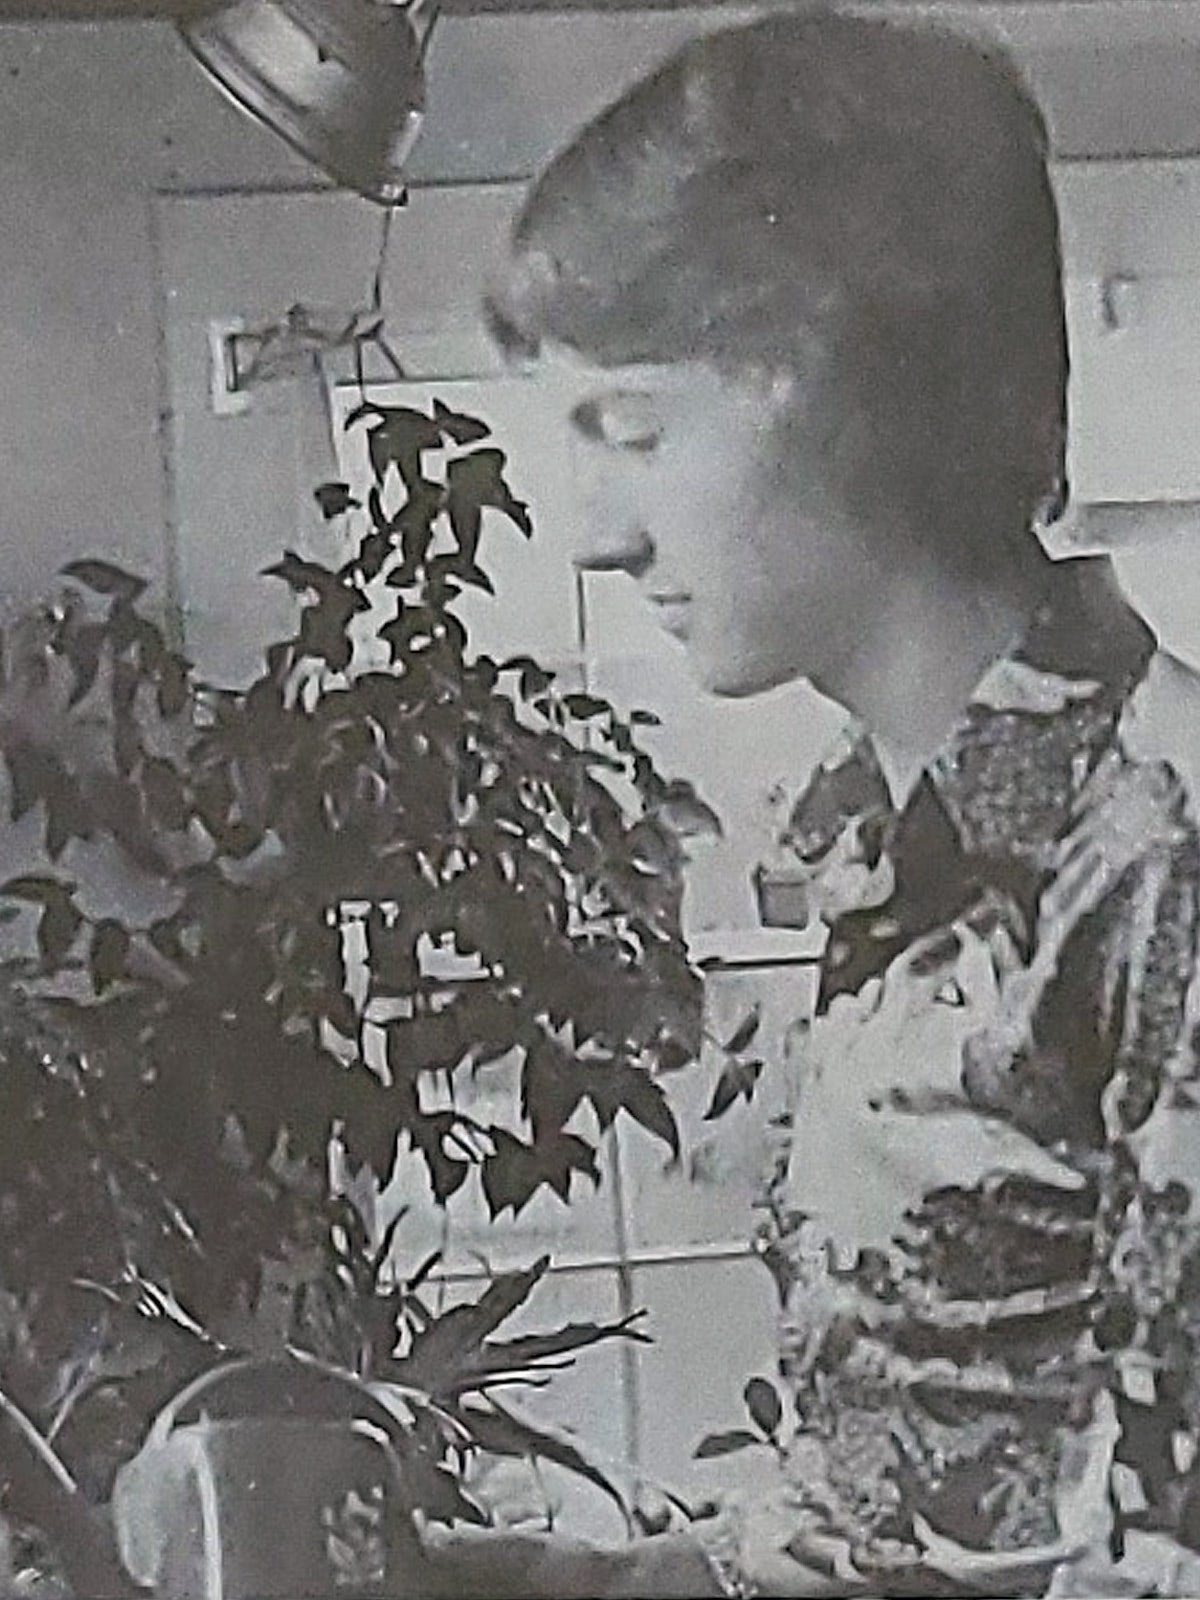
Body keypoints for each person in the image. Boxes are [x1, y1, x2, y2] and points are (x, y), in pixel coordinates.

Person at [419, 10, 1200, 1596]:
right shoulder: (880, 836)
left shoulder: (1156, 857)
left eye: (627, 432)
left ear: (836, 380)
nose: (591, 538)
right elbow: (951, 1498)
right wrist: (596, 1582)